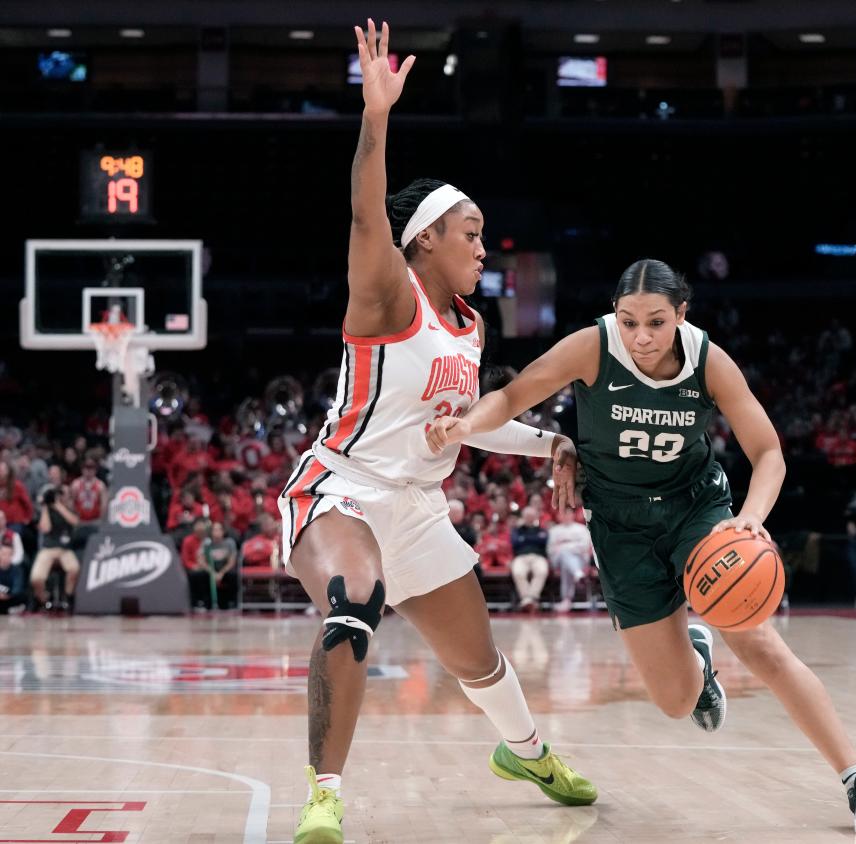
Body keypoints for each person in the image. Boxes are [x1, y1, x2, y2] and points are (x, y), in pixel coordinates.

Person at [427, 258, 856, 834]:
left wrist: (749, 520)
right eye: (628, 322)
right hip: (619, 527)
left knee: (760, 645)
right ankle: (697, 663)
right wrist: (464, 426)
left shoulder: (708, 360)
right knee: (676, 702)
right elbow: (511, 398)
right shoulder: (591, 347)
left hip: (695, 510)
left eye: (656, 322)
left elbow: (768, 452)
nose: (641, 336)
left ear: (681, 314)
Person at [281, 20, 596, 844]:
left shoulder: (470, 329)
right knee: (353, 607)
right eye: (472, 234)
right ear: (423, 238)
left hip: (418, 505)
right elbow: (362, 216)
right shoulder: (389, 293)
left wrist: (552, 442)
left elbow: (473, 426)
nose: (485, 248)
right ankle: (325, 793)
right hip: (341, 490)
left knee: (480, 660)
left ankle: (526, 752)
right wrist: (375, 118)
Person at [30, 486, 80, 611]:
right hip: (48, 548)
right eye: (57, 495)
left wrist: (58, 505)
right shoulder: (45, 510)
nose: (59, 497)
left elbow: (75, 521)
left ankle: (68, 598)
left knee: (74, 569)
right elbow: (45, 528)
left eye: (61, 494)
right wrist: (46, 507)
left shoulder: (69, 508)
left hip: (65, 549)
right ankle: (44, 601)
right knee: (36, 578)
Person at [547, 507, 594, 613]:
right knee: (564, 555)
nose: (566, 516)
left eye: (568, 514)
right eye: (564, 514)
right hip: (557, 560)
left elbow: (584, 547)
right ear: (559, 516)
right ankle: (578, 575)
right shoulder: (554, 531)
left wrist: (564, 546)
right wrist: (572, 546)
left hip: (579, 560)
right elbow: (551, 550)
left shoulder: (582, 529)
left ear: (573, 515)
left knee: (566, 561)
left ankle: (566, 600)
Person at [510, 506, 550, 612]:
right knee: (518, 572)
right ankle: (530, 600)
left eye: (531, 516)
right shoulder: (516, 530)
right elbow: (515, 543)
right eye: (527, 516)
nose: (529, 518)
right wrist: (535, 539)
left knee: (542, 571)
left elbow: (544, 541)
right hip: (520, 557)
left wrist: (524, 539)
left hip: (538, 557)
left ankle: (528, 599)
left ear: (536, 517)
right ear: (523, 517)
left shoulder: (542, 530)